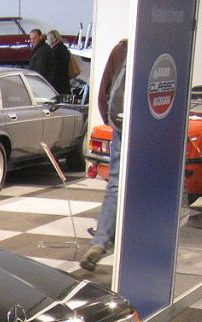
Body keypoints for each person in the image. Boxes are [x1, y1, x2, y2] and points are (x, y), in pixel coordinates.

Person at [81, 39, 129, 271]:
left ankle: (100, 240)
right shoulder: (161, 50)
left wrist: (111, 124)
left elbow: (103, 93)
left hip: (122, 125)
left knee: (116, 184)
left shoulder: (122, 49)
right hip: (151, 129)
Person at [47, 30, 72, 95]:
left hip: (57, 85)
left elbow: (54, 70)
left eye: (48, 39)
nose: (48, 41)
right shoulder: (65, 50)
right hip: (65, 83)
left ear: (53, 39)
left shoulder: (53, 52)